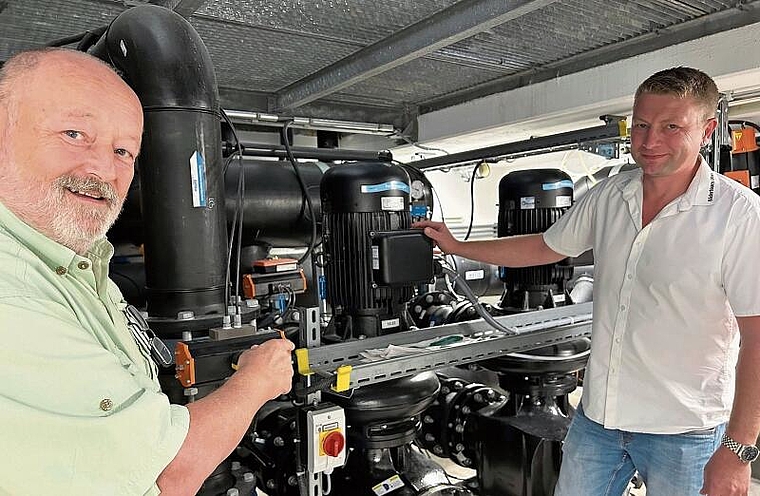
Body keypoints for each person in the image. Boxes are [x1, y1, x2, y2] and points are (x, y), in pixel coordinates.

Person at [416, 67, 760, 496]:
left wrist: (738, 450)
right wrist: (458, 246)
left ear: (707, 130)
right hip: (598, 420)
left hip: (683, 431)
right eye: (641, 125)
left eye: (672, 127)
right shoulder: (612, 194)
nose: (650, 142)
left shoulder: (739, 216)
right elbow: (546, 246)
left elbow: (757, 338)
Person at [0, 48, 295, 495]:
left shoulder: (76, 262)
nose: (102, 169)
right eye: (74, 133)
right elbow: (167, 473)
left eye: (123, 151)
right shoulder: (13, 290)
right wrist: (258, 380)